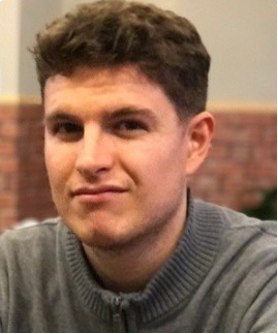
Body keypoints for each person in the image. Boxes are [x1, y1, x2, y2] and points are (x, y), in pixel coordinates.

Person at [0, 1, 276, 333]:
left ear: (195, 142)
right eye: (68, 128)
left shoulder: (262, 278)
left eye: (128, 125)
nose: (90, 160)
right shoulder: (12, 277)